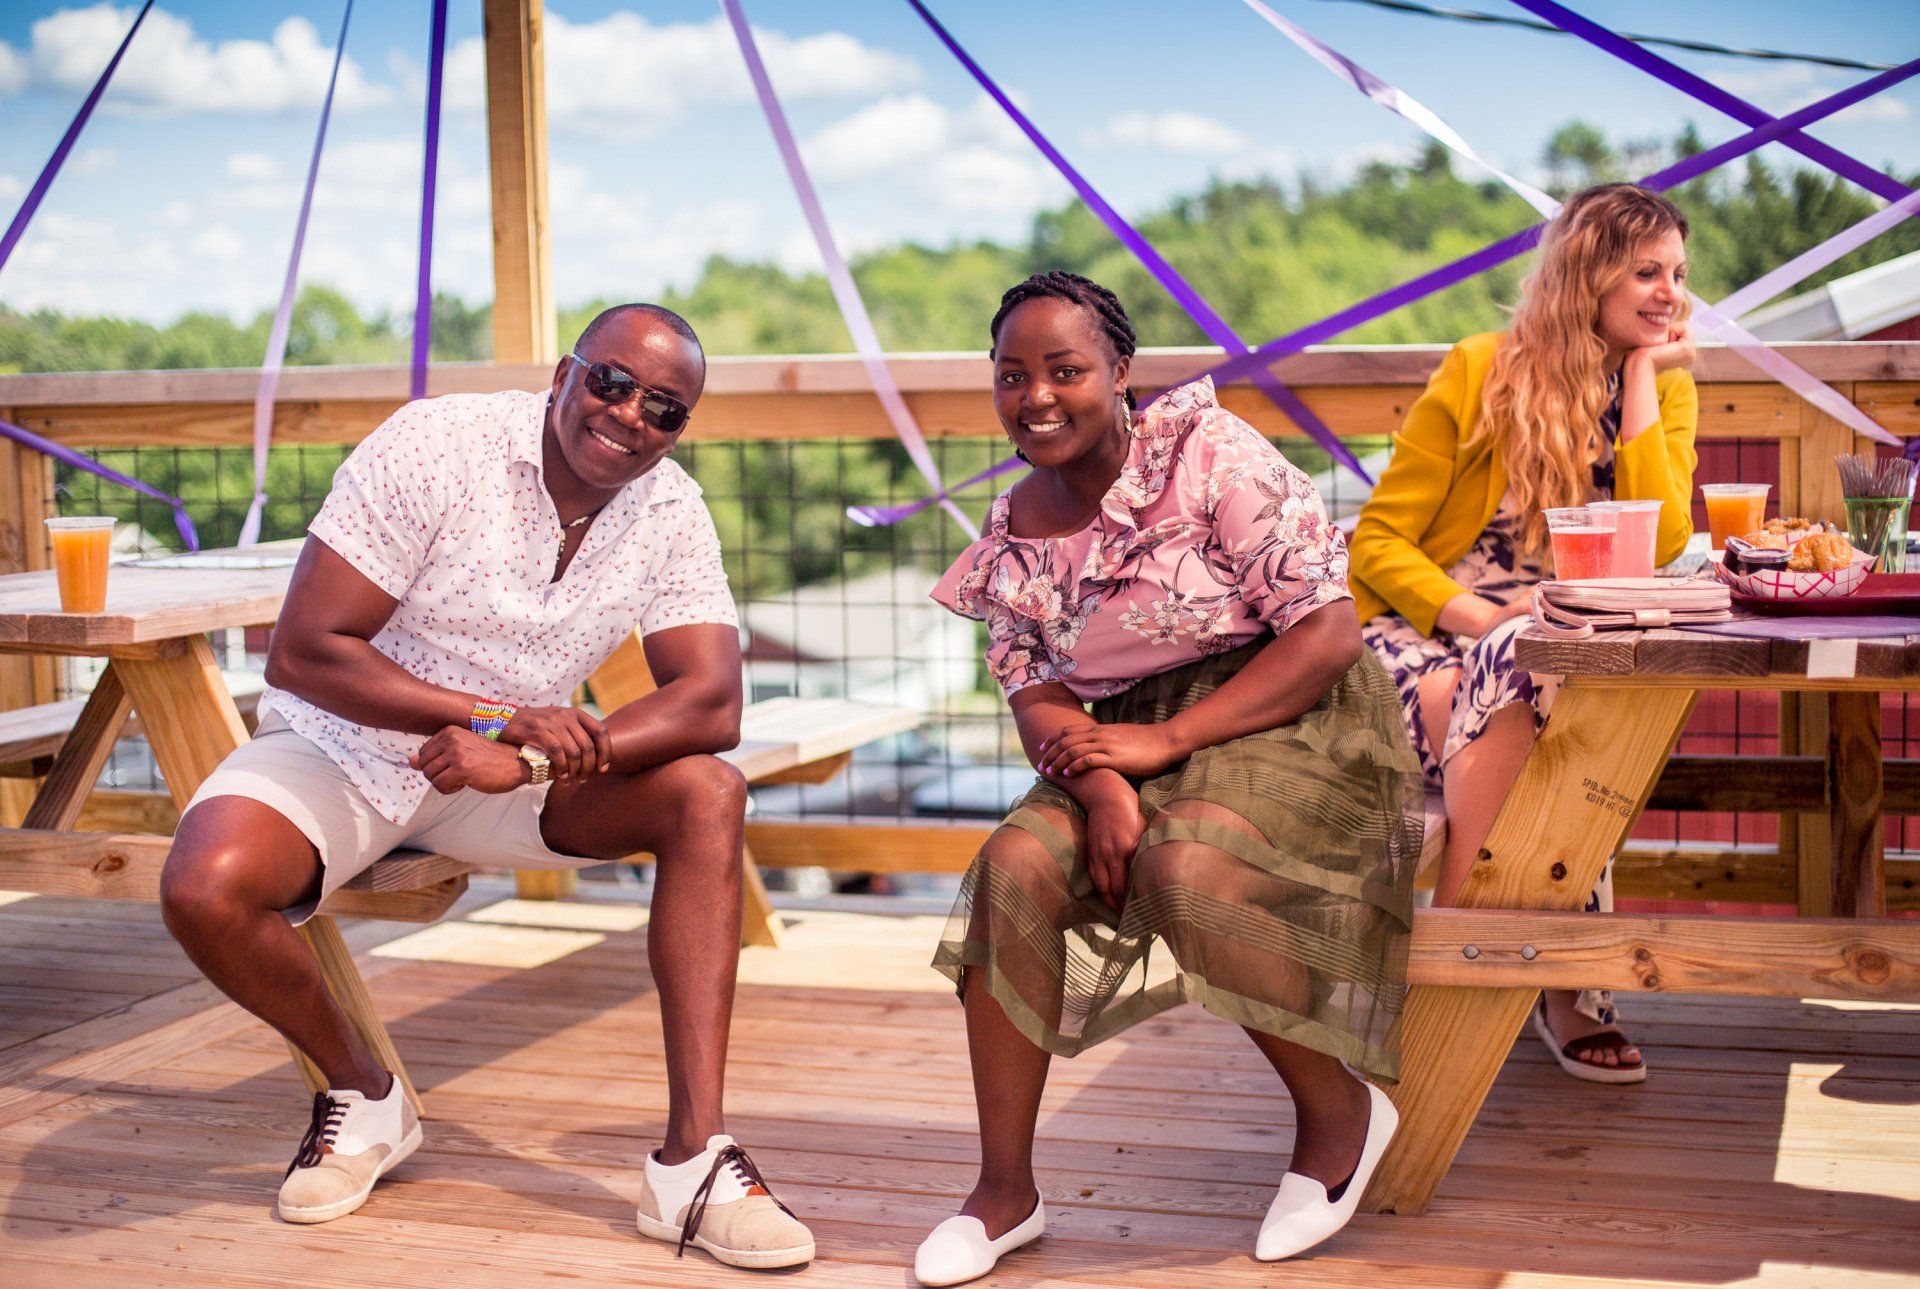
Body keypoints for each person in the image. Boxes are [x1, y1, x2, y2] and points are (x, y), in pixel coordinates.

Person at [157, 304, 814, 1270]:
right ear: (564, 373)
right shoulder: (437, 445)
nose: (632, 416)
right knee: (202, 887)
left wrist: (530, 755)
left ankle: (693, 1162)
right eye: (612, 383)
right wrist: (496, 719)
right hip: (349, 742)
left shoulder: (668, 505)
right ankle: (364, 1094)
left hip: (507, 774)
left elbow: (713, 702)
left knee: (708, 790)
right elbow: (303, 653)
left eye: (666, 409)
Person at [915, 271, 1423, 1285]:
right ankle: (1004, 1192)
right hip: (1110, 741)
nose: (1039, 396)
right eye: (1013, 376)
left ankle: (1341, 1114)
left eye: (1067, 370)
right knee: (1013, 863)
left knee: (1185, 867)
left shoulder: (1208, 454)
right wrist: (1107, 784)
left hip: (1284, 708)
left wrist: (1168, 740)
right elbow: (1034, 693)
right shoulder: (1010, 531)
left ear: (1121, 372)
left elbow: (1326, 634)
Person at [1351, 183, 1699, 1084]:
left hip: (1562, 652)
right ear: (1590, 274)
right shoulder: (1479, 369)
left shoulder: (1663, 383)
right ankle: (1548, 988)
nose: (1671, 293)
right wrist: (1482, 618)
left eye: (1679, 274)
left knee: (1546, 680)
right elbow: (1377, 542)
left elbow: (1661, 540)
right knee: (1522, 671)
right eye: (1647, 271)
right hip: (1430, 640)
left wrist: (1643, 382)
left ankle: (1451, 989)